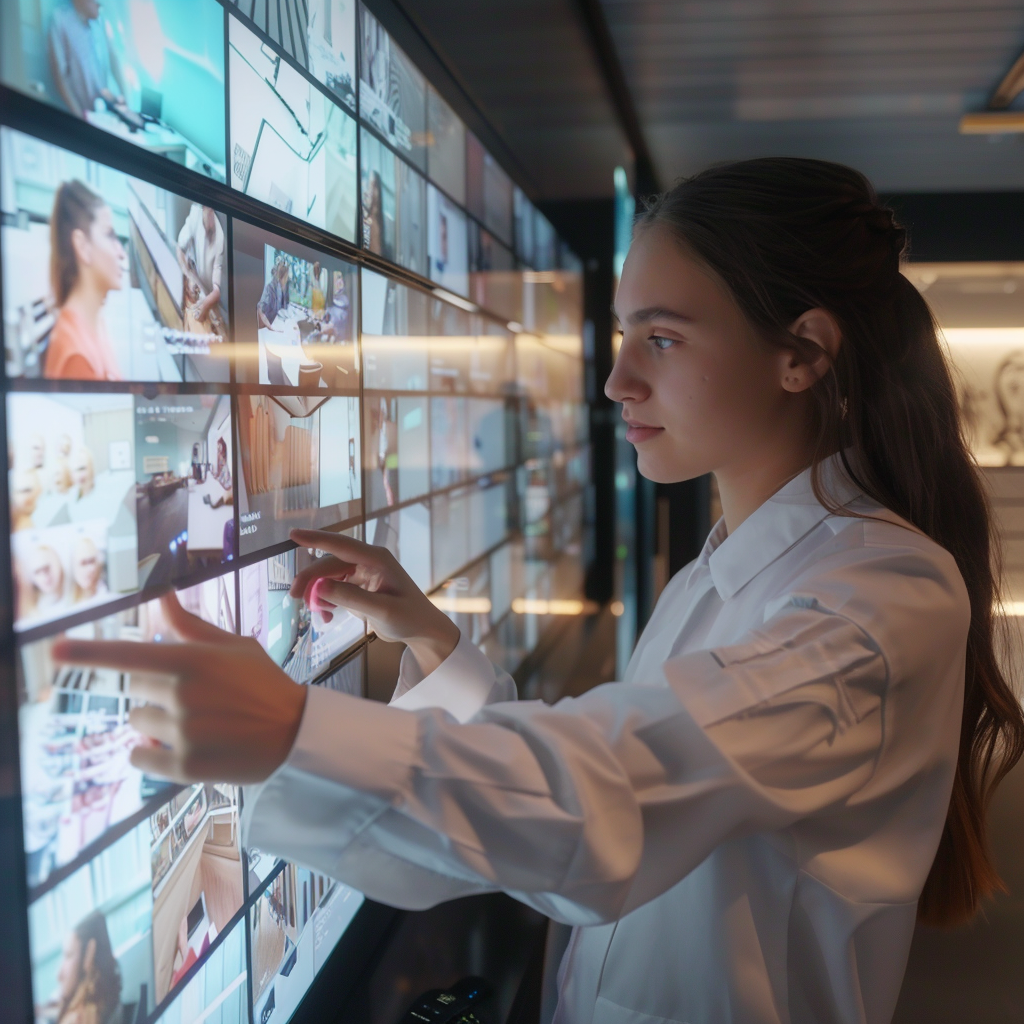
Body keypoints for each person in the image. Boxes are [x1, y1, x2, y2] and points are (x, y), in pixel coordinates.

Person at [56, 159, 1024, 1024]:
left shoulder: (883, 596)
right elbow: (622, 783)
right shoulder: (732, 565)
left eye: (663, 339)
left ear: (802, 353)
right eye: (621, 335)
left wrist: (291, 729)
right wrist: (440, 647)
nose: (613, 381)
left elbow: (615, 798)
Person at [46, 180, 124, 381]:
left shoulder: (96, 324)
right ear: (82, 246)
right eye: (110, 235)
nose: (121, 253)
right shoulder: (76, 356)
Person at [47, 0, 127, 121]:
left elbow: (114, 59)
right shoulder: (60, 19)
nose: (101, 4)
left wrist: (124, 99)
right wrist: (80, 118)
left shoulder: (101, 22)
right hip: (78, 115)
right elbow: (60, 77)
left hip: (106, 112)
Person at [38, 910, 122, 1024]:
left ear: (89, 954)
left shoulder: (78, 1018)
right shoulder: (104, 1002)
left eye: (69, 955)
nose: (59, 975)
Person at [176, 205, 225, 335]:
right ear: (203, 208)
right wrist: (189, 277)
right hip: (192, 276)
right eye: (208, 211)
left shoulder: (220, 236)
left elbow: (216, 286)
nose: (211, 218)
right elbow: (180, 249)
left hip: (206, 292)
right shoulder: (195, 213)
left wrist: (210, 299)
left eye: (212, 212)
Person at [257, 260, 291, 331]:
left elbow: (282, 308)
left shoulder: (281, 288)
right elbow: (260, 310)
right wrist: (270, 328)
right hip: (265, 328)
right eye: (286, 277)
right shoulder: (270, 288)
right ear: (283, 277)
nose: (287, 279)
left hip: (274, 324)